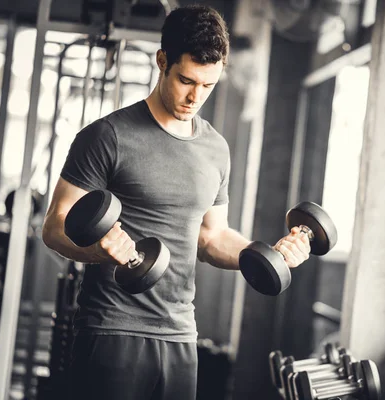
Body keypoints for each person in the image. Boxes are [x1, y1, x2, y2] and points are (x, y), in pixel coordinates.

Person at [41, 4, 311, 400]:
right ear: (162, 60)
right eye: (186, 80)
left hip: (180, 335)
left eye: (208, 85)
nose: (194, 96)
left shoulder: (216, 149)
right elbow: (54, 225)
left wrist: (267, 255)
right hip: (113, 329)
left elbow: (211, 238)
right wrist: (99, 250)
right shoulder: (107, 136)